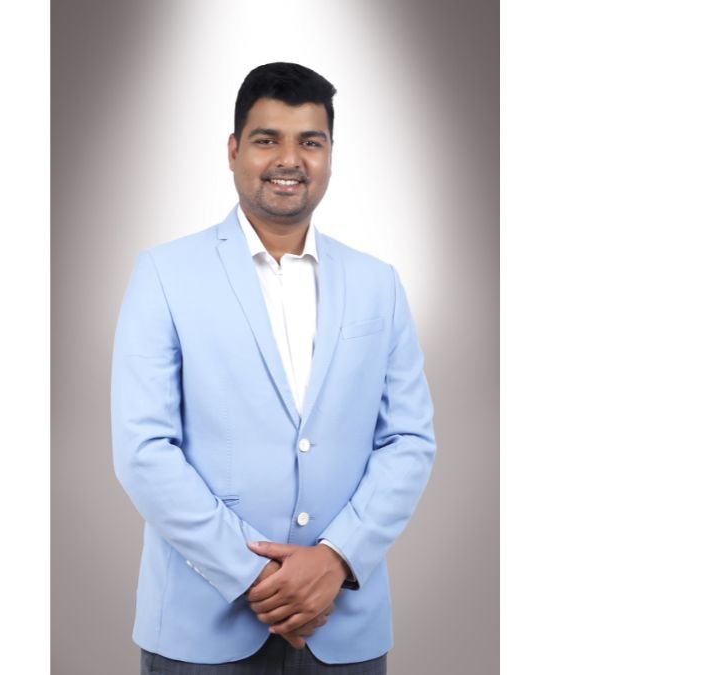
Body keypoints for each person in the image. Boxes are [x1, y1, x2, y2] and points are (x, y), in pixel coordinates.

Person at [112, 62, 436, 674]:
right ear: (233, 150)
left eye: (310, 141)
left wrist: (336, 559)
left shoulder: (379, 284)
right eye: (268, 139)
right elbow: (143, 450)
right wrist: (256, 575)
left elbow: (409, 440)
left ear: (330, 154)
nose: (290, 159)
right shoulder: (164, 274)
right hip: (201, 627)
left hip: (343, 621)